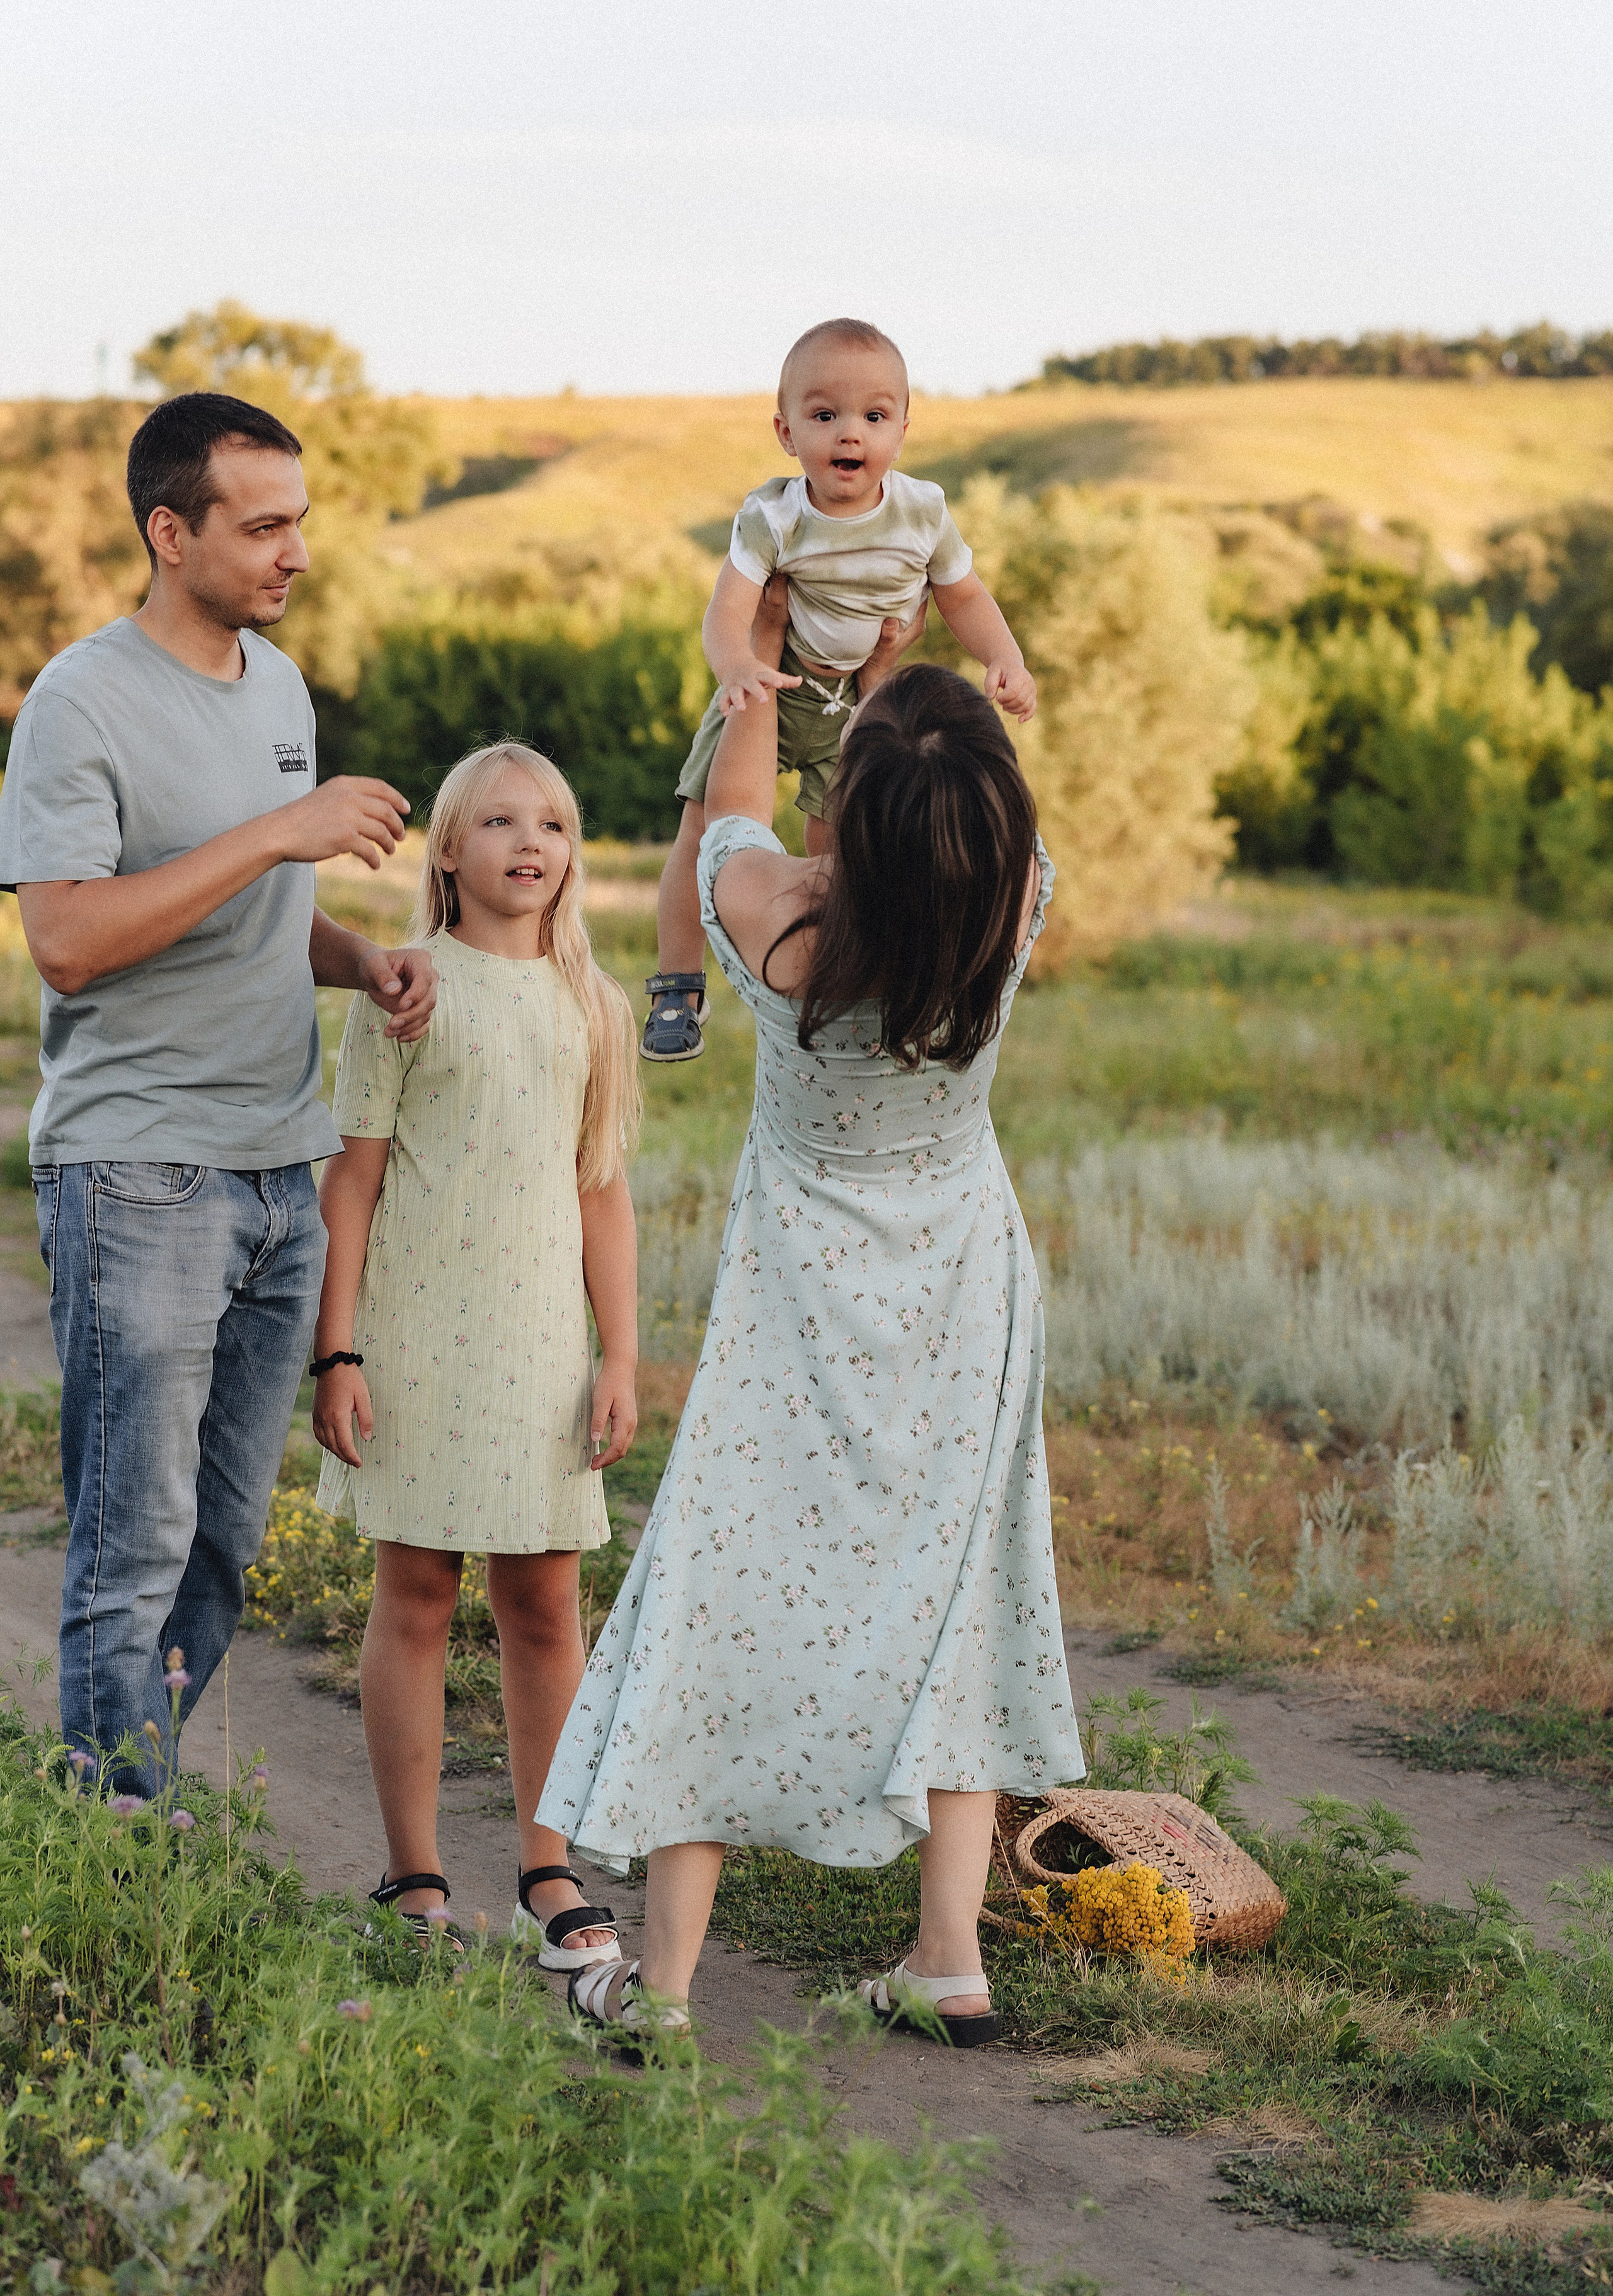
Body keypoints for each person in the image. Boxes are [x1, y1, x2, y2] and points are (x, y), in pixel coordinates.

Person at [542, 656, 1085, 2050]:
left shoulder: (775, 926)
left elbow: (731, 803)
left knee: (718, 1591)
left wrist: (759, 659)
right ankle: (946, 1956)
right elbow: (954, 816)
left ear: (844, 817)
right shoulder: (1010, 901)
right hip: (964, 1286)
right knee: (962, 1590)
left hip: (795, 1305)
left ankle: (659, 1990)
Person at [0, 391, 439, 1795]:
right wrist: (276, 834)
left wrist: (356, 954)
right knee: (134, 1532)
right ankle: (113, 1835)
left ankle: (112, 1796)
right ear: (169, 531)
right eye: (262, 525)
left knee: (223, 1542)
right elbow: (67, 939)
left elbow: (248, 911)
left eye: (299, 520)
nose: (293, 550)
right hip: (139, 1174)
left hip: (276, 1172)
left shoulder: (280, 687)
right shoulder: (82, 699)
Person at [310, 741, 640, 1958]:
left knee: (546, 1606)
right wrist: (335, 1352)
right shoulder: (406, 987)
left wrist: (619, 1356)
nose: (529, 842)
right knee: (416, 1594)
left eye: (551, 821)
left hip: (543, 1346)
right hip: (418, 1341)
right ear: (448, 850)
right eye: (499, 821)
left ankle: (547, 1872)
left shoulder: (591, 1005)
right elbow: (353, 1183)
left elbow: (602, 1192)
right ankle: (414, 1877)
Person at [640, 317, 1036, 1065]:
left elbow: (963, 598)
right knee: (702, 826)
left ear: (902, 430)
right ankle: (676, 986)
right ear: (787, 432)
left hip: (858, 704)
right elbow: (728, 611)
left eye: (873, 416)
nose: (849, 434)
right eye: (825, 416)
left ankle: (847, 975)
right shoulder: (773, 516)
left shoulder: (922, 512)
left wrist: (1004, 659)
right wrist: (737, 668)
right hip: (775, 680)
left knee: (843, 848)